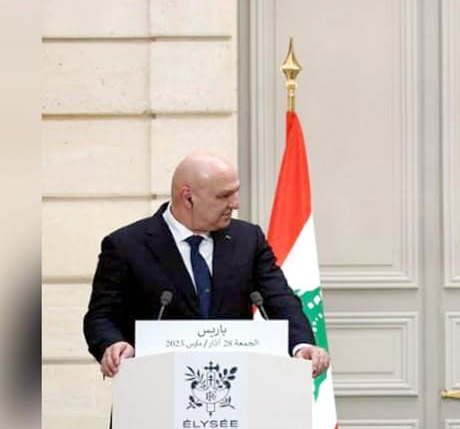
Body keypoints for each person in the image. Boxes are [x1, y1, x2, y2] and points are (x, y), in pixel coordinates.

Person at [83, 152, 330, 378]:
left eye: (235, 192)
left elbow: (280, 299)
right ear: (188, 198)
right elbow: (101, 316)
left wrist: (301, 345)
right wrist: (112, 344)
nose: (235, 204)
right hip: (154, 388)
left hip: (234, 388)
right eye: (224, 196)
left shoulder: (248, 239)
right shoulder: (126, 245)